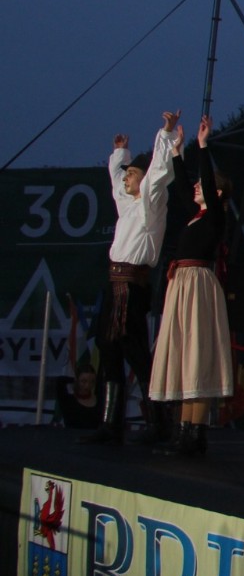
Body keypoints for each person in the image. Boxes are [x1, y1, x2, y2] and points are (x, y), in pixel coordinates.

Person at [82, 112, 179, 444]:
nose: (126, 179)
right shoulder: (127, 205)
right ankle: (111, 423)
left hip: (132, 287)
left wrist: (165, 134)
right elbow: (116, 183)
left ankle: (159, 421)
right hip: (115, 285)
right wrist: (120, 154)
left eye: (132, 174)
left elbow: (159, 174)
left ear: (144, 178)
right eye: (127, 174)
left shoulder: (152, 206)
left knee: (134, 349)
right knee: (107, 345)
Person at [148, 115, 235, 457]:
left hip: (197, 284)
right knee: (185, 354)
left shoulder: (215, 216)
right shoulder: (195, 217)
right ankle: (183, 431)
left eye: (204, 185)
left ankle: (194, 433)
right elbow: (184, 189)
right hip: (182, 284)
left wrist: (202, 146)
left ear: (217, 193)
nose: (197, 187)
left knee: (197, 354)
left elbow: (204, 187)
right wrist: (176, 152)